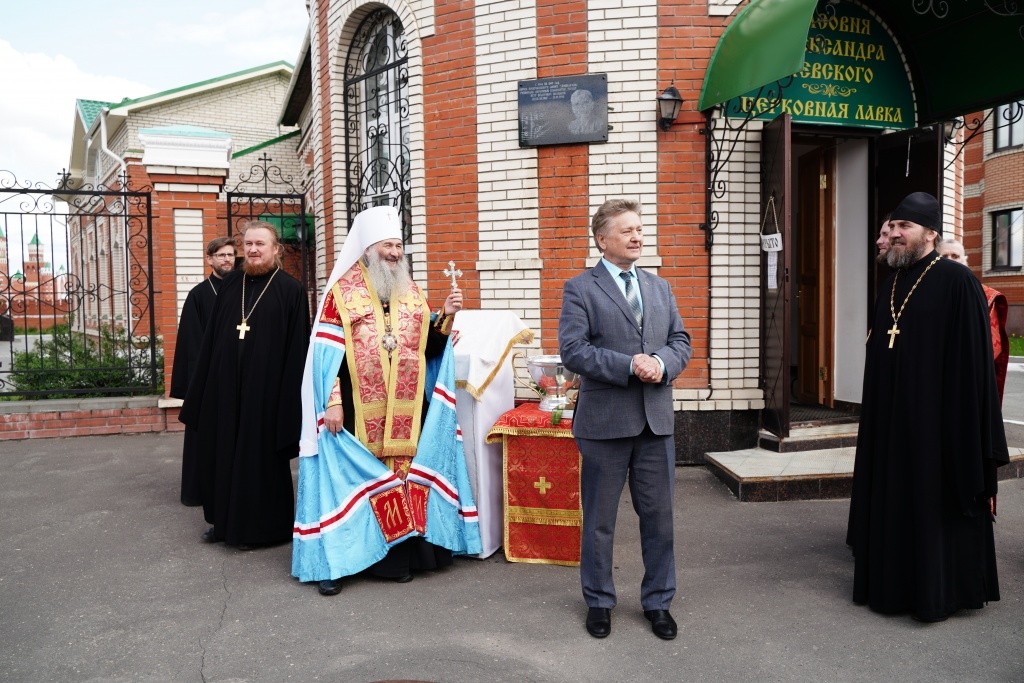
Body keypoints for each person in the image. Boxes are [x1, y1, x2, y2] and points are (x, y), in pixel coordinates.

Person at [292, 205, 481, 596]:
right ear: (367, 249)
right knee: (357, 479)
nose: (395, 253)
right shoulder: (341, 295)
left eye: (398, 245)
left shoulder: (409, 290)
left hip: (408, 408)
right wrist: (333, 402)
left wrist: (443, 317)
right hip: (358, 411)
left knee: (406, 477)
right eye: (387, 246)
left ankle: (405, 557)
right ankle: (353, 557)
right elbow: (328, 357)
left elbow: (427, 345)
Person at [847, 191, 1009, 622]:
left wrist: (954, 426)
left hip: (939, 426)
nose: (896, 234)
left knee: (934, 506)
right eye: (894, 226)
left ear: (930, 233)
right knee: (897, 502)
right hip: (893, 422)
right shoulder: (894, 279)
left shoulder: (958, 282)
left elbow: (972, 365)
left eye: (905, 227)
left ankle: (940, 594)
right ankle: (893, 587)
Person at [558, 198, 692, 640]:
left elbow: (681, 340)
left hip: (655, 423)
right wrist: (628, 365)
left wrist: (661, 362)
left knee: (659, 519)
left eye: (639, 229)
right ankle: (598, 602)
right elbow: (573, 350)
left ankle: (658, 602)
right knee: (599, 520)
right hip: (604, 425)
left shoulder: (659, 287)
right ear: (602, 240)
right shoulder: (580, 288)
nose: (637, 236)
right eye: (627, 230)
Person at [179, 221, 310, 549]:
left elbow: (297, 351)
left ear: (276, 249)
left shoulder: (291, 290)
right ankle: (223, 523)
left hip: (265, 394)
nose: (252, 250)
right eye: (248, 244)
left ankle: (264, 530)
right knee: (223, 455)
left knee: (259, 460)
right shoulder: (231, 283)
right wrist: (203, 388)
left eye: (260, 244)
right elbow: (210, 340)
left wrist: (289, 402)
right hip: (226, 390)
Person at [169, 236, 236, 506]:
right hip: (209, 379)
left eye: (231, 255)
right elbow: (192, 342)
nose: (227, 259)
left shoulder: (244, 290)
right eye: (221, 255)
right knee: (203, 435)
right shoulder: (199, 294)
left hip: (237, 375)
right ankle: (198, 490)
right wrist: (203, 380)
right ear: (210, 260)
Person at [936, 237, 1010, 401]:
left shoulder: (985, 296)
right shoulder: (925, 295)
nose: (950, 261)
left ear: (965, 260)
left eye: (955, 256)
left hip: (967, 378)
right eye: (944, 257)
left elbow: (993, 349)